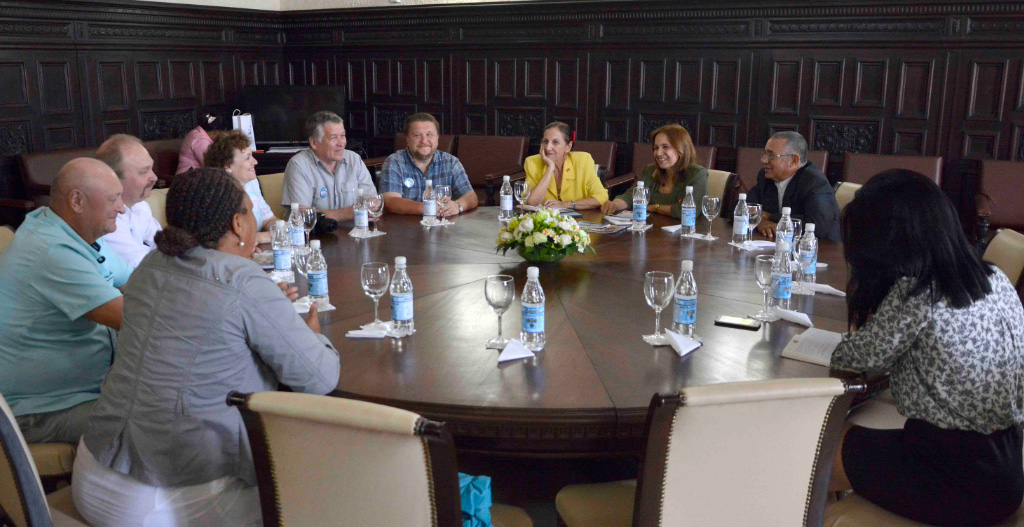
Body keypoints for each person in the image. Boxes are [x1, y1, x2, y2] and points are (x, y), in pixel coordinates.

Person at [74, 168, 340, 527]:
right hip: (160, 499)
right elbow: (320, 379)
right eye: (249, 211)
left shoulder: (150, 266)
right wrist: (313, 335)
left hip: (92, 471)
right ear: (237, 224)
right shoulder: (241, 279)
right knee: (327, 489)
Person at [829, 170, 1024, 526]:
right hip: (1007, 468)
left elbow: (854, 357)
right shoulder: (995, 277)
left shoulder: (918, 292)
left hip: (952, 476)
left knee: (815, 444)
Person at [0, 158, 131, 444]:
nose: (122, 208)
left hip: (85, 389)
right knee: (156, 421)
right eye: (113, 199)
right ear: (77, 201)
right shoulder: (51, 249)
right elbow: (134, 319)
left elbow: (138, 281)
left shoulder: (78, 233)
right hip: (41, 408)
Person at [281, 111, 376, 222]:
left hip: (356, 230)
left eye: (342, 136)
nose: (341, 143)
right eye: (333, 138)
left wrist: (373, 206)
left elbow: (373, 200)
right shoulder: (298, 165)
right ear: (314, 143)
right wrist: (351, 213)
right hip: (315, 232)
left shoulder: (354, 159)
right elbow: (301, 215)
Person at [745, 131, 840, 241]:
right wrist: (761, 222)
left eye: (771, 155)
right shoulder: (766, 177)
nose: (763, 160)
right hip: (779, 244)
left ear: (794, 160)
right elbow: (742, 208)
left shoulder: (815, 182)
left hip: (820, 247)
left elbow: (817, 226)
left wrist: (771, 217)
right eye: (764, 153)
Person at [379, 112, 478, 216]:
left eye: (429, 134)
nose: (424, 140)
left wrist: (458, 205)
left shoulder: (451, 162)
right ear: (407, 139)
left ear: (437, 137)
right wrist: (428, 208)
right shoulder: (394, 162)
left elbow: (471, 196)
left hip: (442, 224)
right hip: (405, 224)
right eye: (417, 135)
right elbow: (390, 201)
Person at [600, 124, 708, 218]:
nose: (658, 153)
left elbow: (687, 211)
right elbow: (630, 197)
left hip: (685, 231)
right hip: (652, 230)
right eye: (656, 148)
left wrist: (656, 208)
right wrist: (614, 205)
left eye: (665, 147)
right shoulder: (650, 170)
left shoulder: (698, 174)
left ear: (681, 149)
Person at [97, 134, 161, 267]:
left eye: (151, 168)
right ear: (114, 178)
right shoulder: (106, 219)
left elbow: (165, 246)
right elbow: (141, 266)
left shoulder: (141, 206)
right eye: (144, 172)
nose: (154, 177)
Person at [205, 130, 279, 244]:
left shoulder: (251, 183)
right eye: (247, 158)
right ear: (227, 166)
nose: (255, 162)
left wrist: (281, 228)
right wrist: (262, 237)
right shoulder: (216, 194)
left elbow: (268, 220)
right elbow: (230, 240)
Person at [523, 122, 608, 210]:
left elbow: (601, 197)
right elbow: (531, 202)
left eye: (555, 142)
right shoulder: (532, 162)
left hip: (580, 217)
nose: (548, 147)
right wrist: (550, 169)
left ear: (568, 147)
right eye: (545, 141)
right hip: (545, 218)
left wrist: (566, 204)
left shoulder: (583, 161)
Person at [175, 107, 228, 175]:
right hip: (188, 178)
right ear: (216, 132)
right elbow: (211, 166)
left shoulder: (198, 132)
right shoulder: (200, 139)